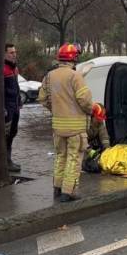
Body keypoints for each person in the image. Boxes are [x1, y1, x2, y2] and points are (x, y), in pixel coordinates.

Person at [38, 43, 94, 202]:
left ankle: (57, 187)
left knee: (60, 156)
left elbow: (42, 98)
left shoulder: (49, 76)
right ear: (73, 58)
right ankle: (68, 192)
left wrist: (55, 109)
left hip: (58, 127)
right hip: (75, 128)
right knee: (74, 158)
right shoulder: (75, 76)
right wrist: (90, 110)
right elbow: (84, 100)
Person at [4, 44, 22, 172]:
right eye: (11, 52)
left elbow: (16, 87)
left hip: (14, 106)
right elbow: (0, 91)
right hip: (7, 108)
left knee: (12, 133)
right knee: (6, 135)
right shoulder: (3, 69)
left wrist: (19, 101)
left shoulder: (13, 69)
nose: (14, 54)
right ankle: (5, 161)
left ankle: (8, 160)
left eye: (15, 52)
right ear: (4, 54)